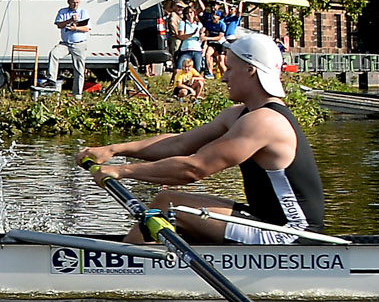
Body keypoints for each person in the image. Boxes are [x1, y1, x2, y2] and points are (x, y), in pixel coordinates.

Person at [79, 30, 323, 244]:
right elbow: (180, 143)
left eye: (229, 68)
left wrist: (122, 172)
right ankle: (137, 261)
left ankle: (124, 270)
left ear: (250, 70)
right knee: (169, 205)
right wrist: (113, 150)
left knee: (167, 204)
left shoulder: (264, 122)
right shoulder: (239, 114)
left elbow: (194, 170)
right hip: (264, 222)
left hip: (292, 235)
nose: (223, 77)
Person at [48, 0, 93, 88]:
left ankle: (77, 94)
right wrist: (70, 21)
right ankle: (51, 80)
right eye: (73, 2)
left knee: (79, 69)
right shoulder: (63, 12)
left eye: (77, 2)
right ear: (68, 2)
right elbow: (59, 25)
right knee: (54, 54)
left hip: (79, 44)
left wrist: (76, 28)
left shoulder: (83, 12)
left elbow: (87, 28)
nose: (75, 4)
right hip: (65, 44)